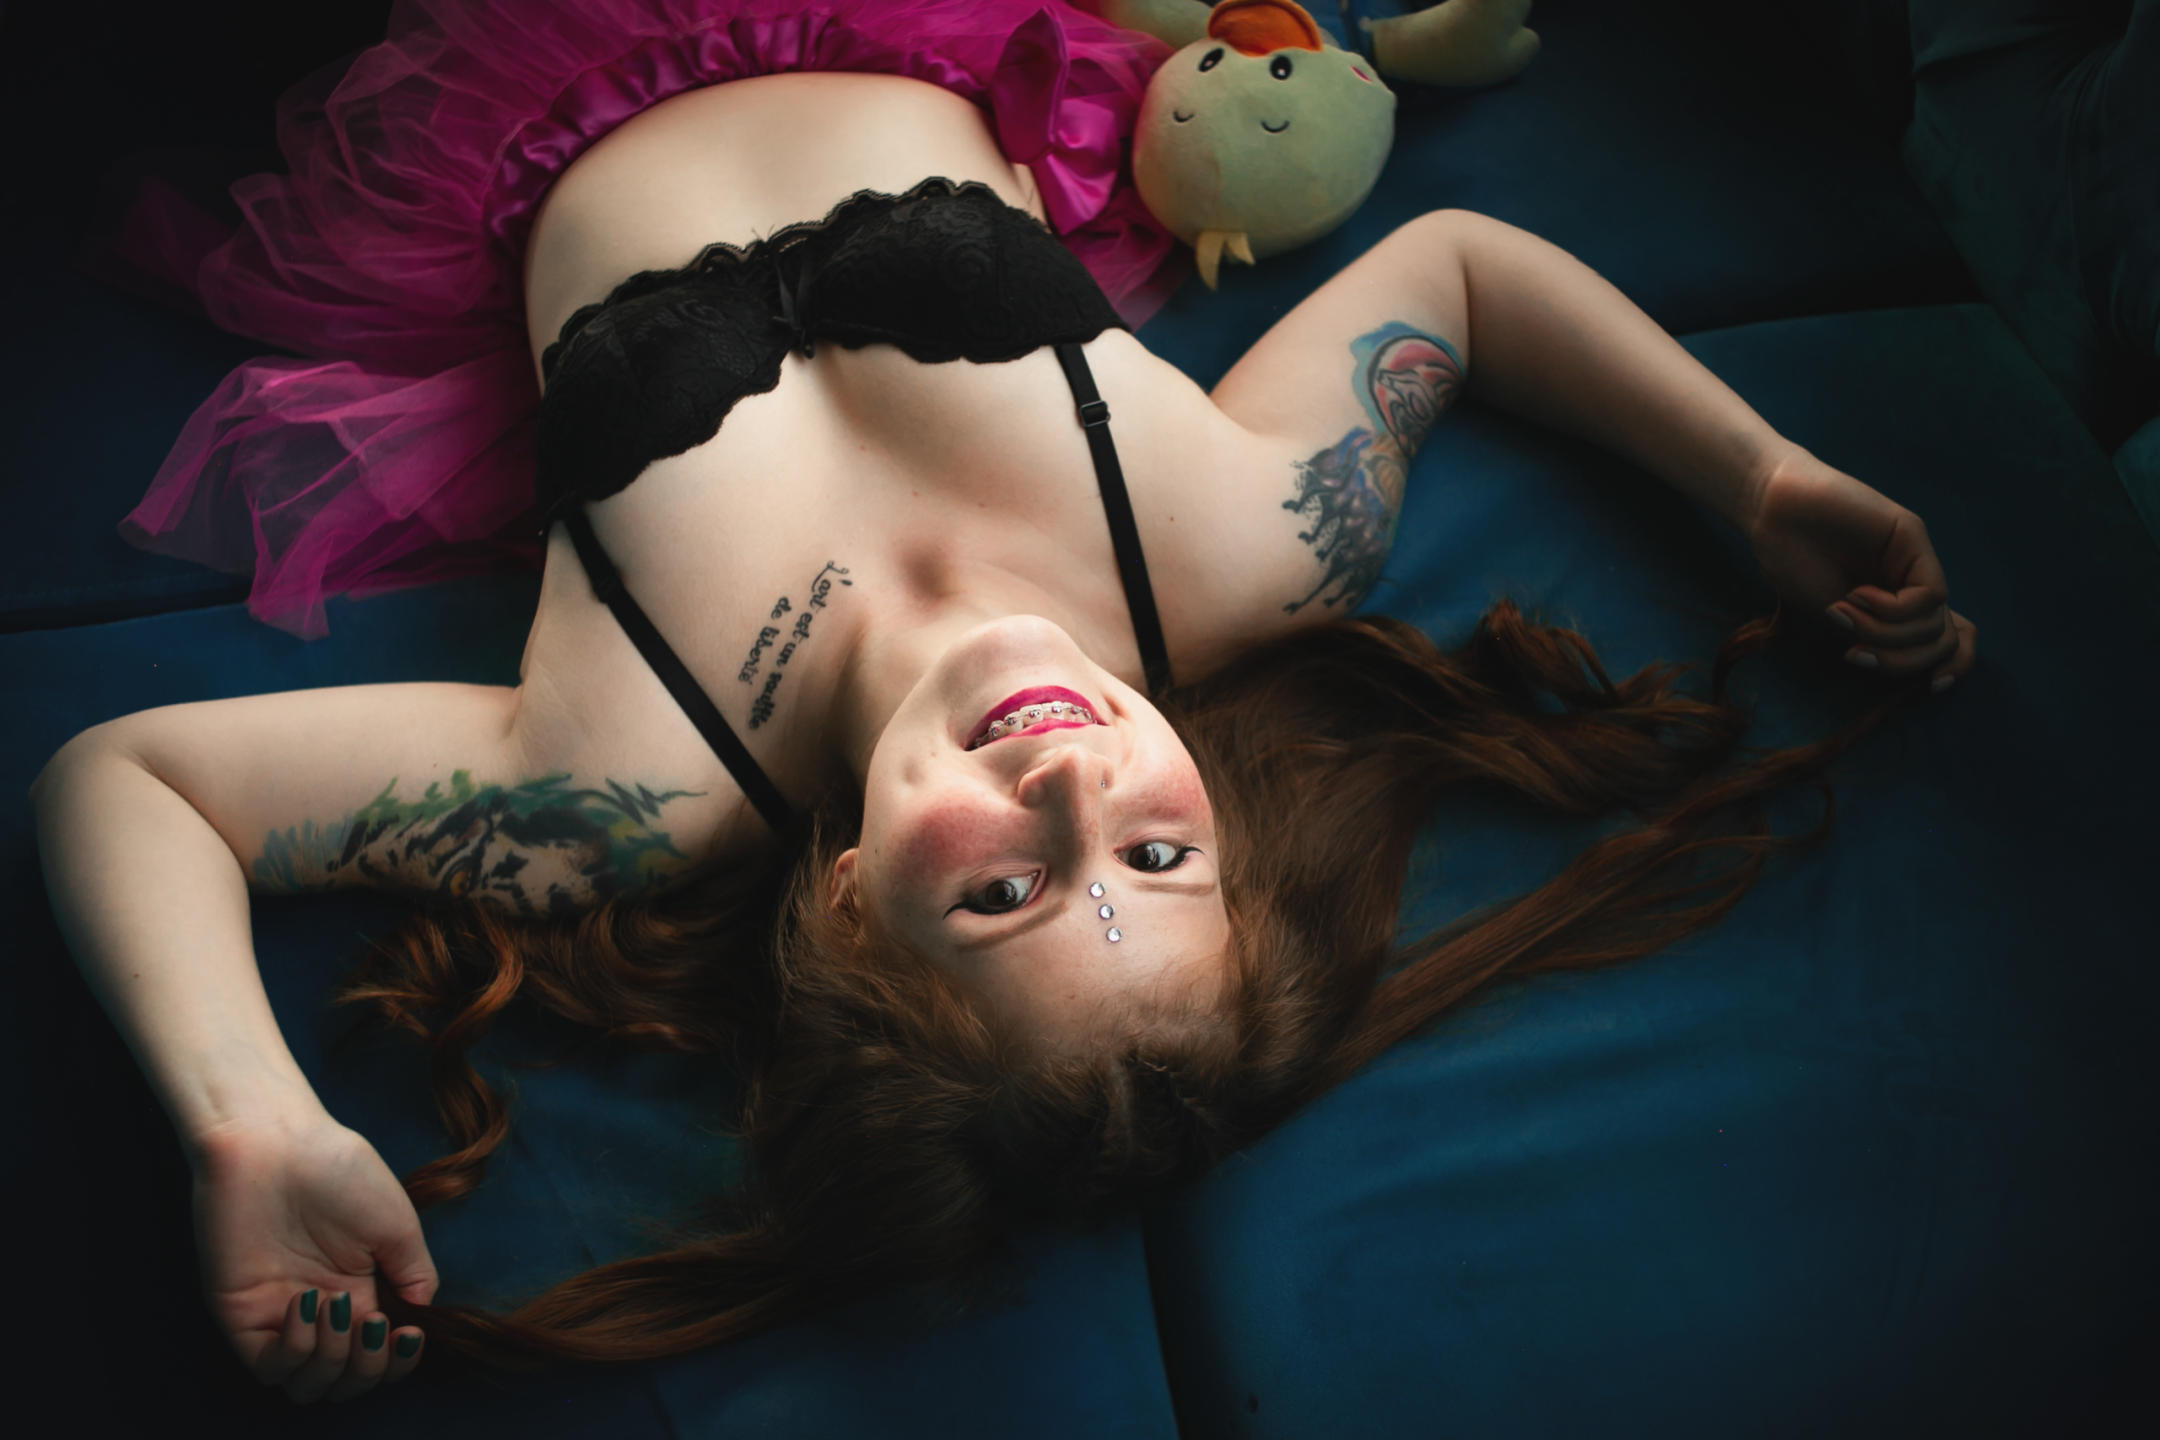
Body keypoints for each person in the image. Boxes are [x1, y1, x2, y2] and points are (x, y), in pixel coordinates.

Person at [33, 0, 1977, 1409]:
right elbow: (1457, 279)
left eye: (1002, 895)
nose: (1069, 790)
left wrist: (248, 1122)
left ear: (849, 907)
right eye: (1158, 855)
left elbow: (137, 782)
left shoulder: (629, 783)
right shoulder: (1239, 552)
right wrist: (1763, 481)